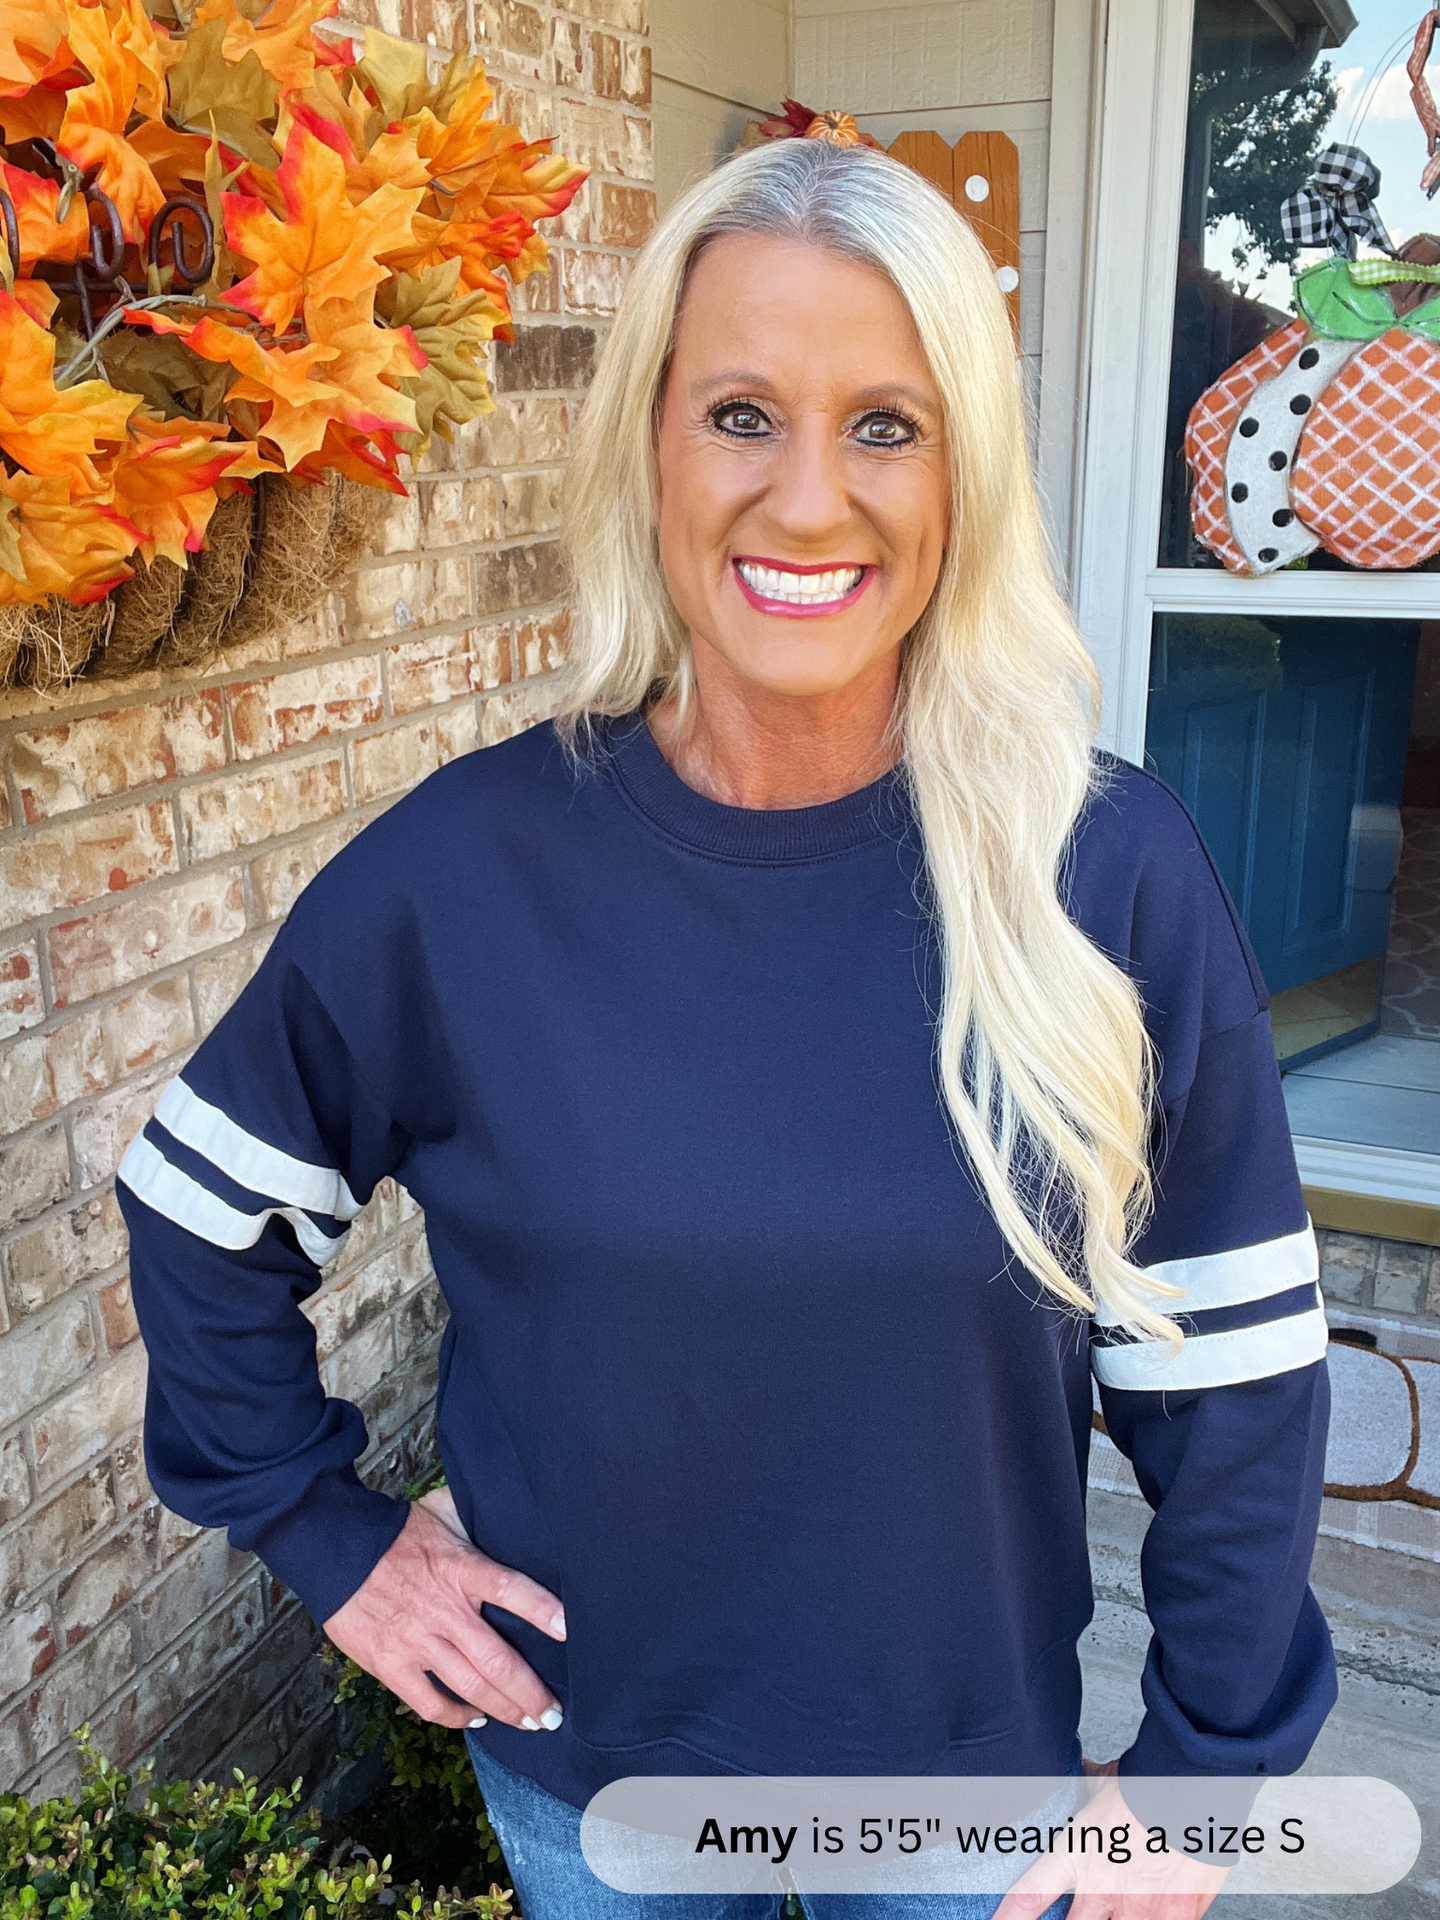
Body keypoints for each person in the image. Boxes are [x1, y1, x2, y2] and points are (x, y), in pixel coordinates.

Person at [118, 139, 1336, 1920]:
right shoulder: (467, 874)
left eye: (887, 426)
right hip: (590, 1789)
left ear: (966, 472)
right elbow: (200, 1208)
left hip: (961, 1814)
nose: (810, 501)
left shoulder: (1109, 874)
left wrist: (1204, 1779)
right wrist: (331, 1534)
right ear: (654, 446)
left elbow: (1232, 1371)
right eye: (744, 415)